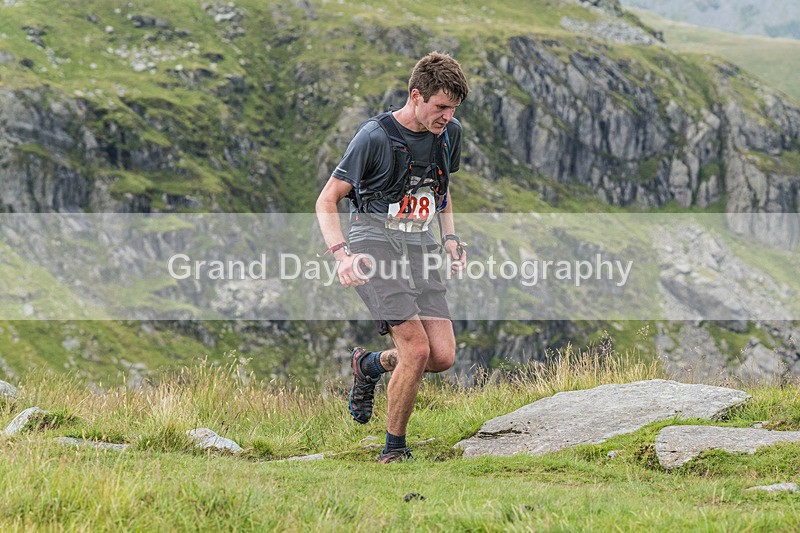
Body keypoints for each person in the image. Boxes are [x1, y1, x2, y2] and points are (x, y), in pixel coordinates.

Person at [315, 52, 469, 463]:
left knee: (441, 356)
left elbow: (441, 189)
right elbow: (327, 199)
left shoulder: (449, 133)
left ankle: (369, 365)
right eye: (441, 107)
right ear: (416, 95)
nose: (447, 116)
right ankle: (393, 450)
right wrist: (342, 255)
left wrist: (450, 238)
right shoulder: (374, 136)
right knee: (416, 350)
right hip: (374, 247)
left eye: (454, 108)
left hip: (420, 248)